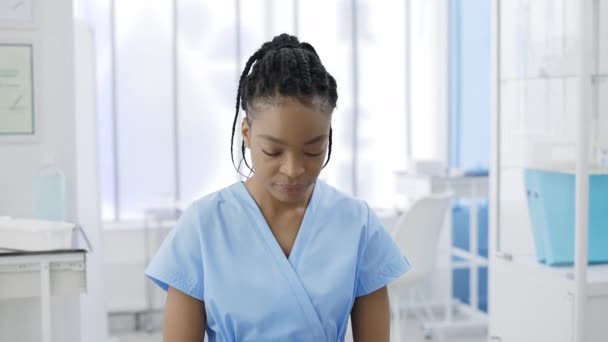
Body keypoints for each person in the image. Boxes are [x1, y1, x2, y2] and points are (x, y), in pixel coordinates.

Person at [145, 33, 410, 342]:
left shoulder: (358, 224)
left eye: (313, 151)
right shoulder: (203, 226)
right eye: (273, 151)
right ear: (246, 132)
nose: (293, 170)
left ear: (328, 136)